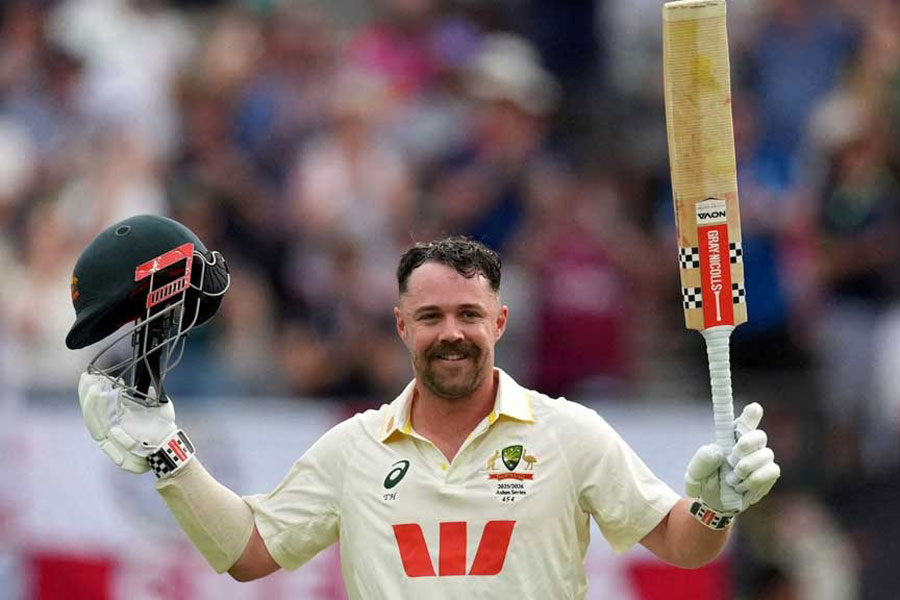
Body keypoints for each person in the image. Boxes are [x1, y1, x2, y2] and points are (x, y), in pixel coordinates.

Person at [74, 234, 780, 598]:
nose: (453, 332)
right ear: (402, 325)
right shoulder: (356, 447)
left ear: (499, 322)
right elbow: (249, 554)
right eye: (432, 316)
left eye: (470, 315)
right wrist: (169, 455)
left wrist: (716, 507)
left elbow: (684, 545)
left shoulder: (568, 433)